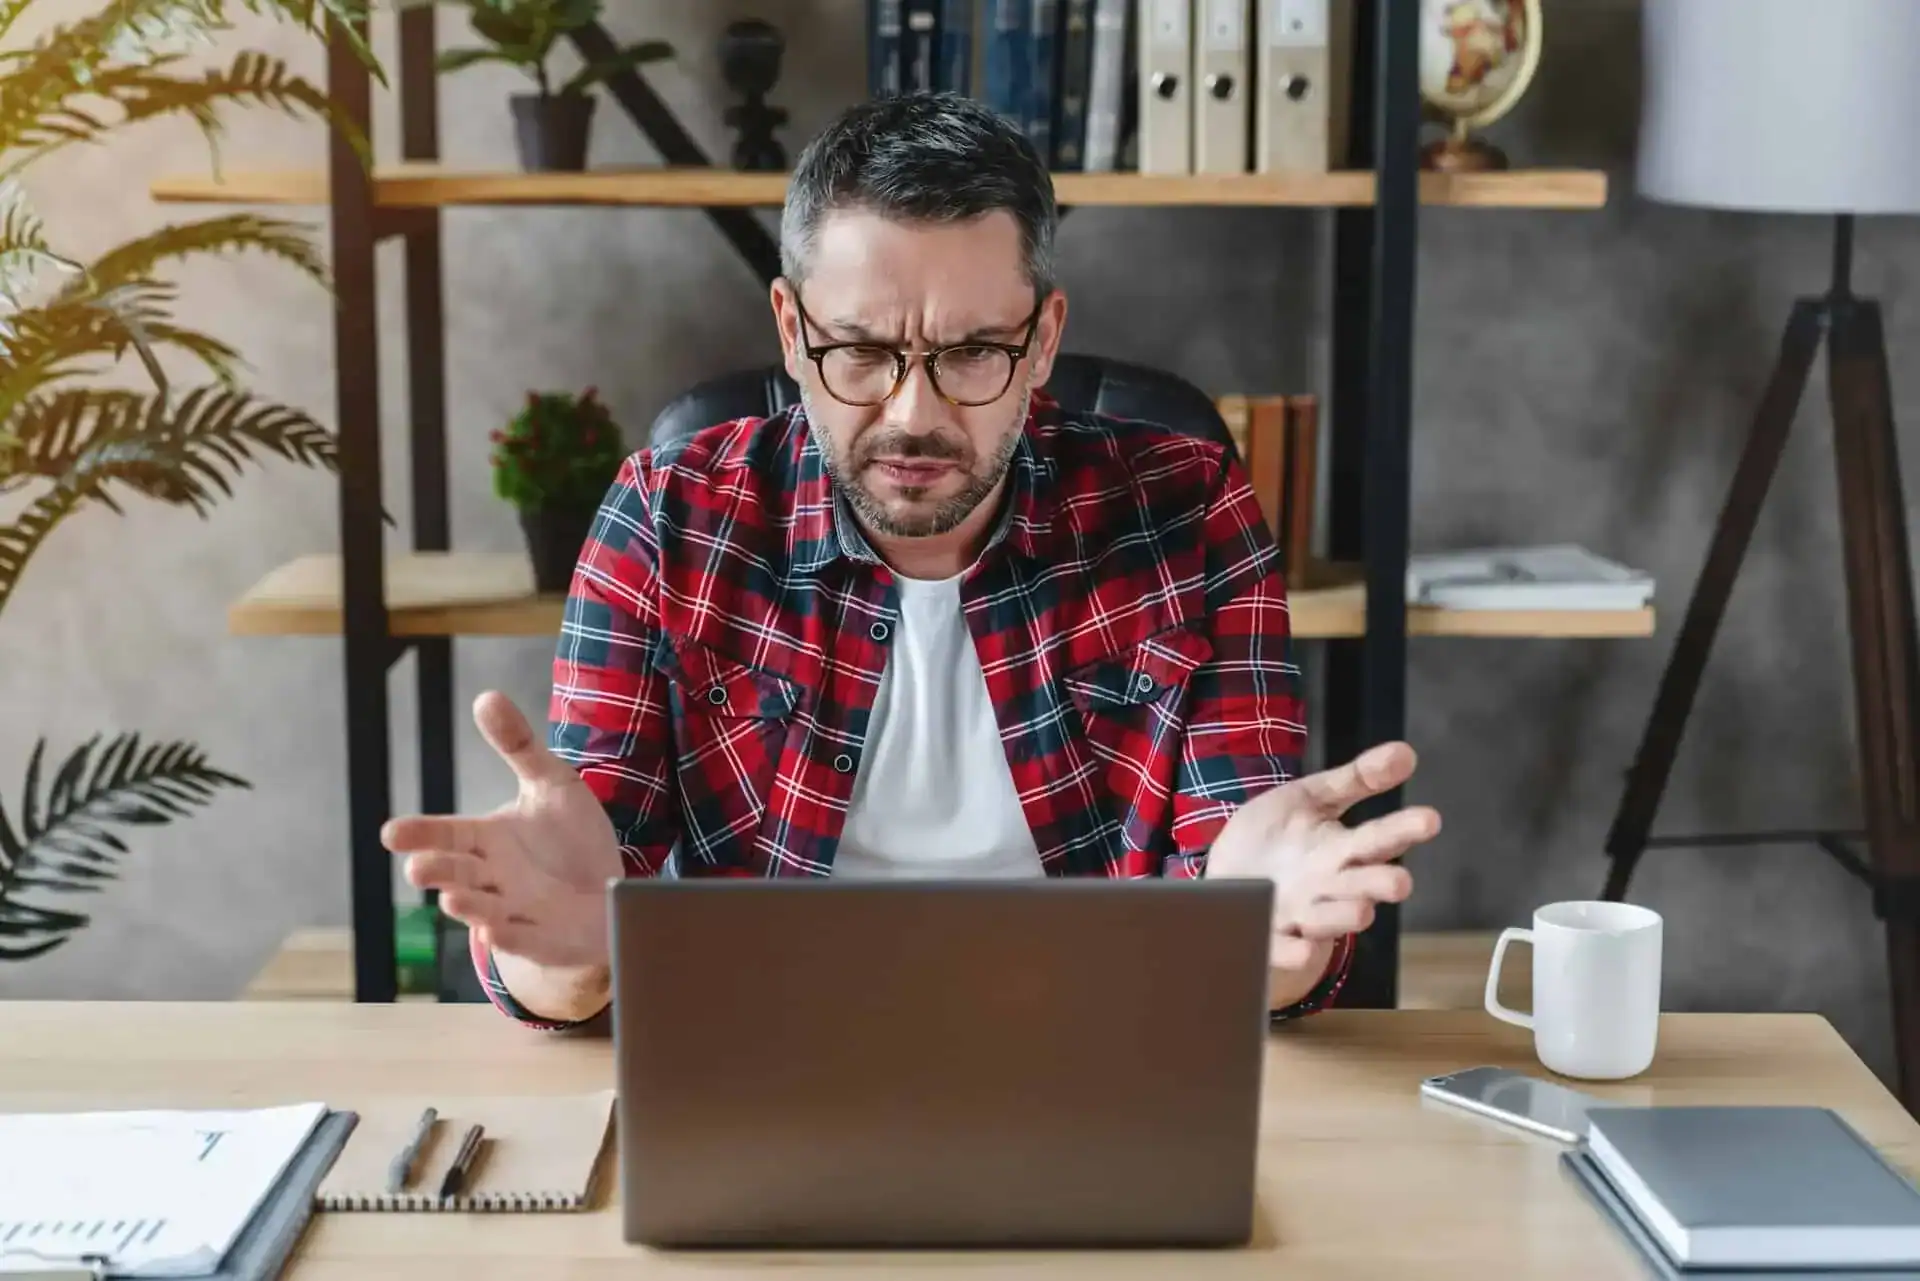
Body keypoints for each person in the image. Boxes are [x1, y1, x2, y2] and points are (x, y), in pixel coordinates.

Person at [381, 91, 1443, 1030]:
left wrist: (1271, 946)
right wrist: (562, 960)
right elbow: (577, 900)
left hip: (1098, 1051)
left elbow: (1246, 884)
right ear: (794, 333)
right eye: (861, 352)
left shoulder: (1189, 505)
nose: (915, 415)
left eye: (975, 352)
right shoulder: (670, 517)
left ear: (1043, 339)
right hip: (761, 1052)